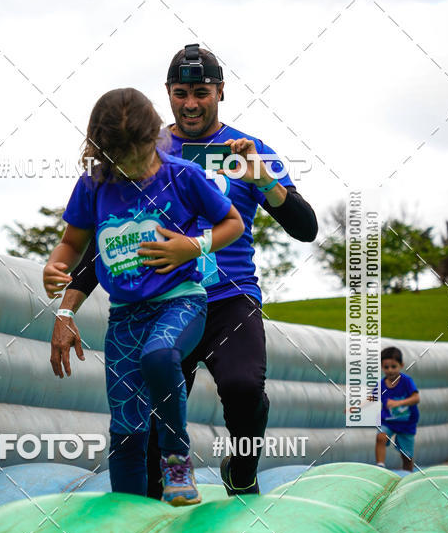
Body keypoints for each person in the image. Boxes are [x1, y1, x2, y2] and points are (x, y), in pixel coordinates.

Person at [50, 44, 318, 499]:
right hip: (160, 300)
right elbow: (112, 239)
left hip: (229, 296)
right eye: (181, 92)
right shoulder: (143, 148)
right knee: (153, 436)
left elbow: (305, 227)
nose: (191, 103)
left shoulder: (247, 149)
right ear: (168, 95)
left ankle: (242, 466)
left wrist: (264, 180)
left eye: (202, 92)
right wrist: (67, 308)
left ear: (220, 92)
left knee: (242, 387)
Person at [43, 87, 244, 505]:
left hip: (181, 300)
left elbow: (233, 223)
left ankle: (176, 460)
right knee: (126, 427)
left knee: (159, 355)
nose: (129, 167)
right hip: (125, 317)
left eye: (136, 156)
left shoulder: (183, 176)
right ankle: (130, 519)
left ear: (155, 138)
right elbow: (72, 242)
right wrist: (55, 266)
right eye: (117, 159)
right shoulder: (94, 184)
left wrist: (192, 246)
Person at [374, 346, 420, 472]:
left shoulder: (406, 381)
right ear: (382, 367)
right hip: (388, 422)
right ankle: (380, 467)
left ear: (401, 365)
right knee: (381, 437)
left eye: (394, 366)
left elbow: (416, 398)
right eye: (386, 367)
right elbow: (372, 397)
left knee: (406, 457)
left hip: (406, 423)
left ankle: (408, 475)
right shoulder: (382, 384)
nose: (390, 370)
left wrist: (398, 403)